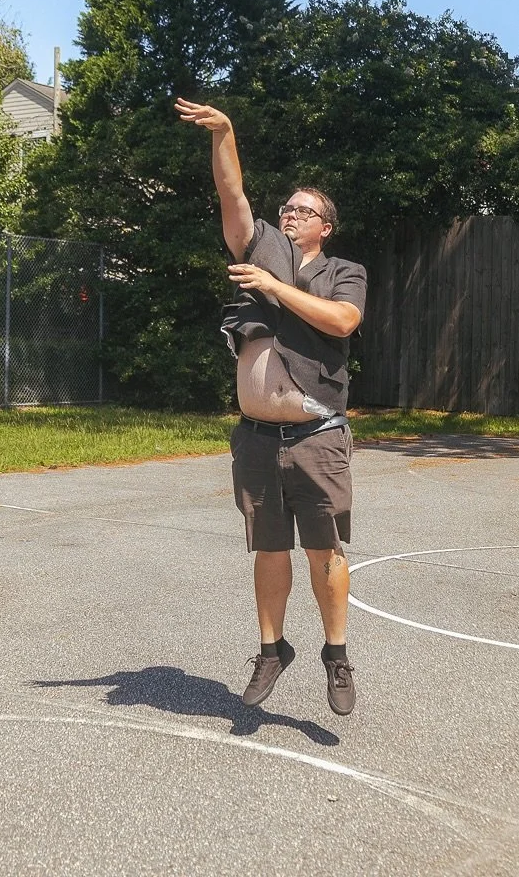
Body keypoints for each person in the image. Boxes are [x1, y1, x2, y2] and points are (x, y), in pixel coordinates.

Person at [175, 97, 367, 716]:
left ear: (324, 227)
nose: (290, 214)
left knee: (325, 552)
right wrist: (224, 134)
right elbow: (233, 198)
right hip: (257, 437)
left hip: (318, 435)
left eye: (303, 210)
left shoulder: (343, 270)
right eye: (286, 206)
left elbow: (341, 321)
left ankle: (335, 656)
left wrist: (276, 289)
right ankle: (271, 648)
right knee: (269, 551)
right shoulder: (257, 249)